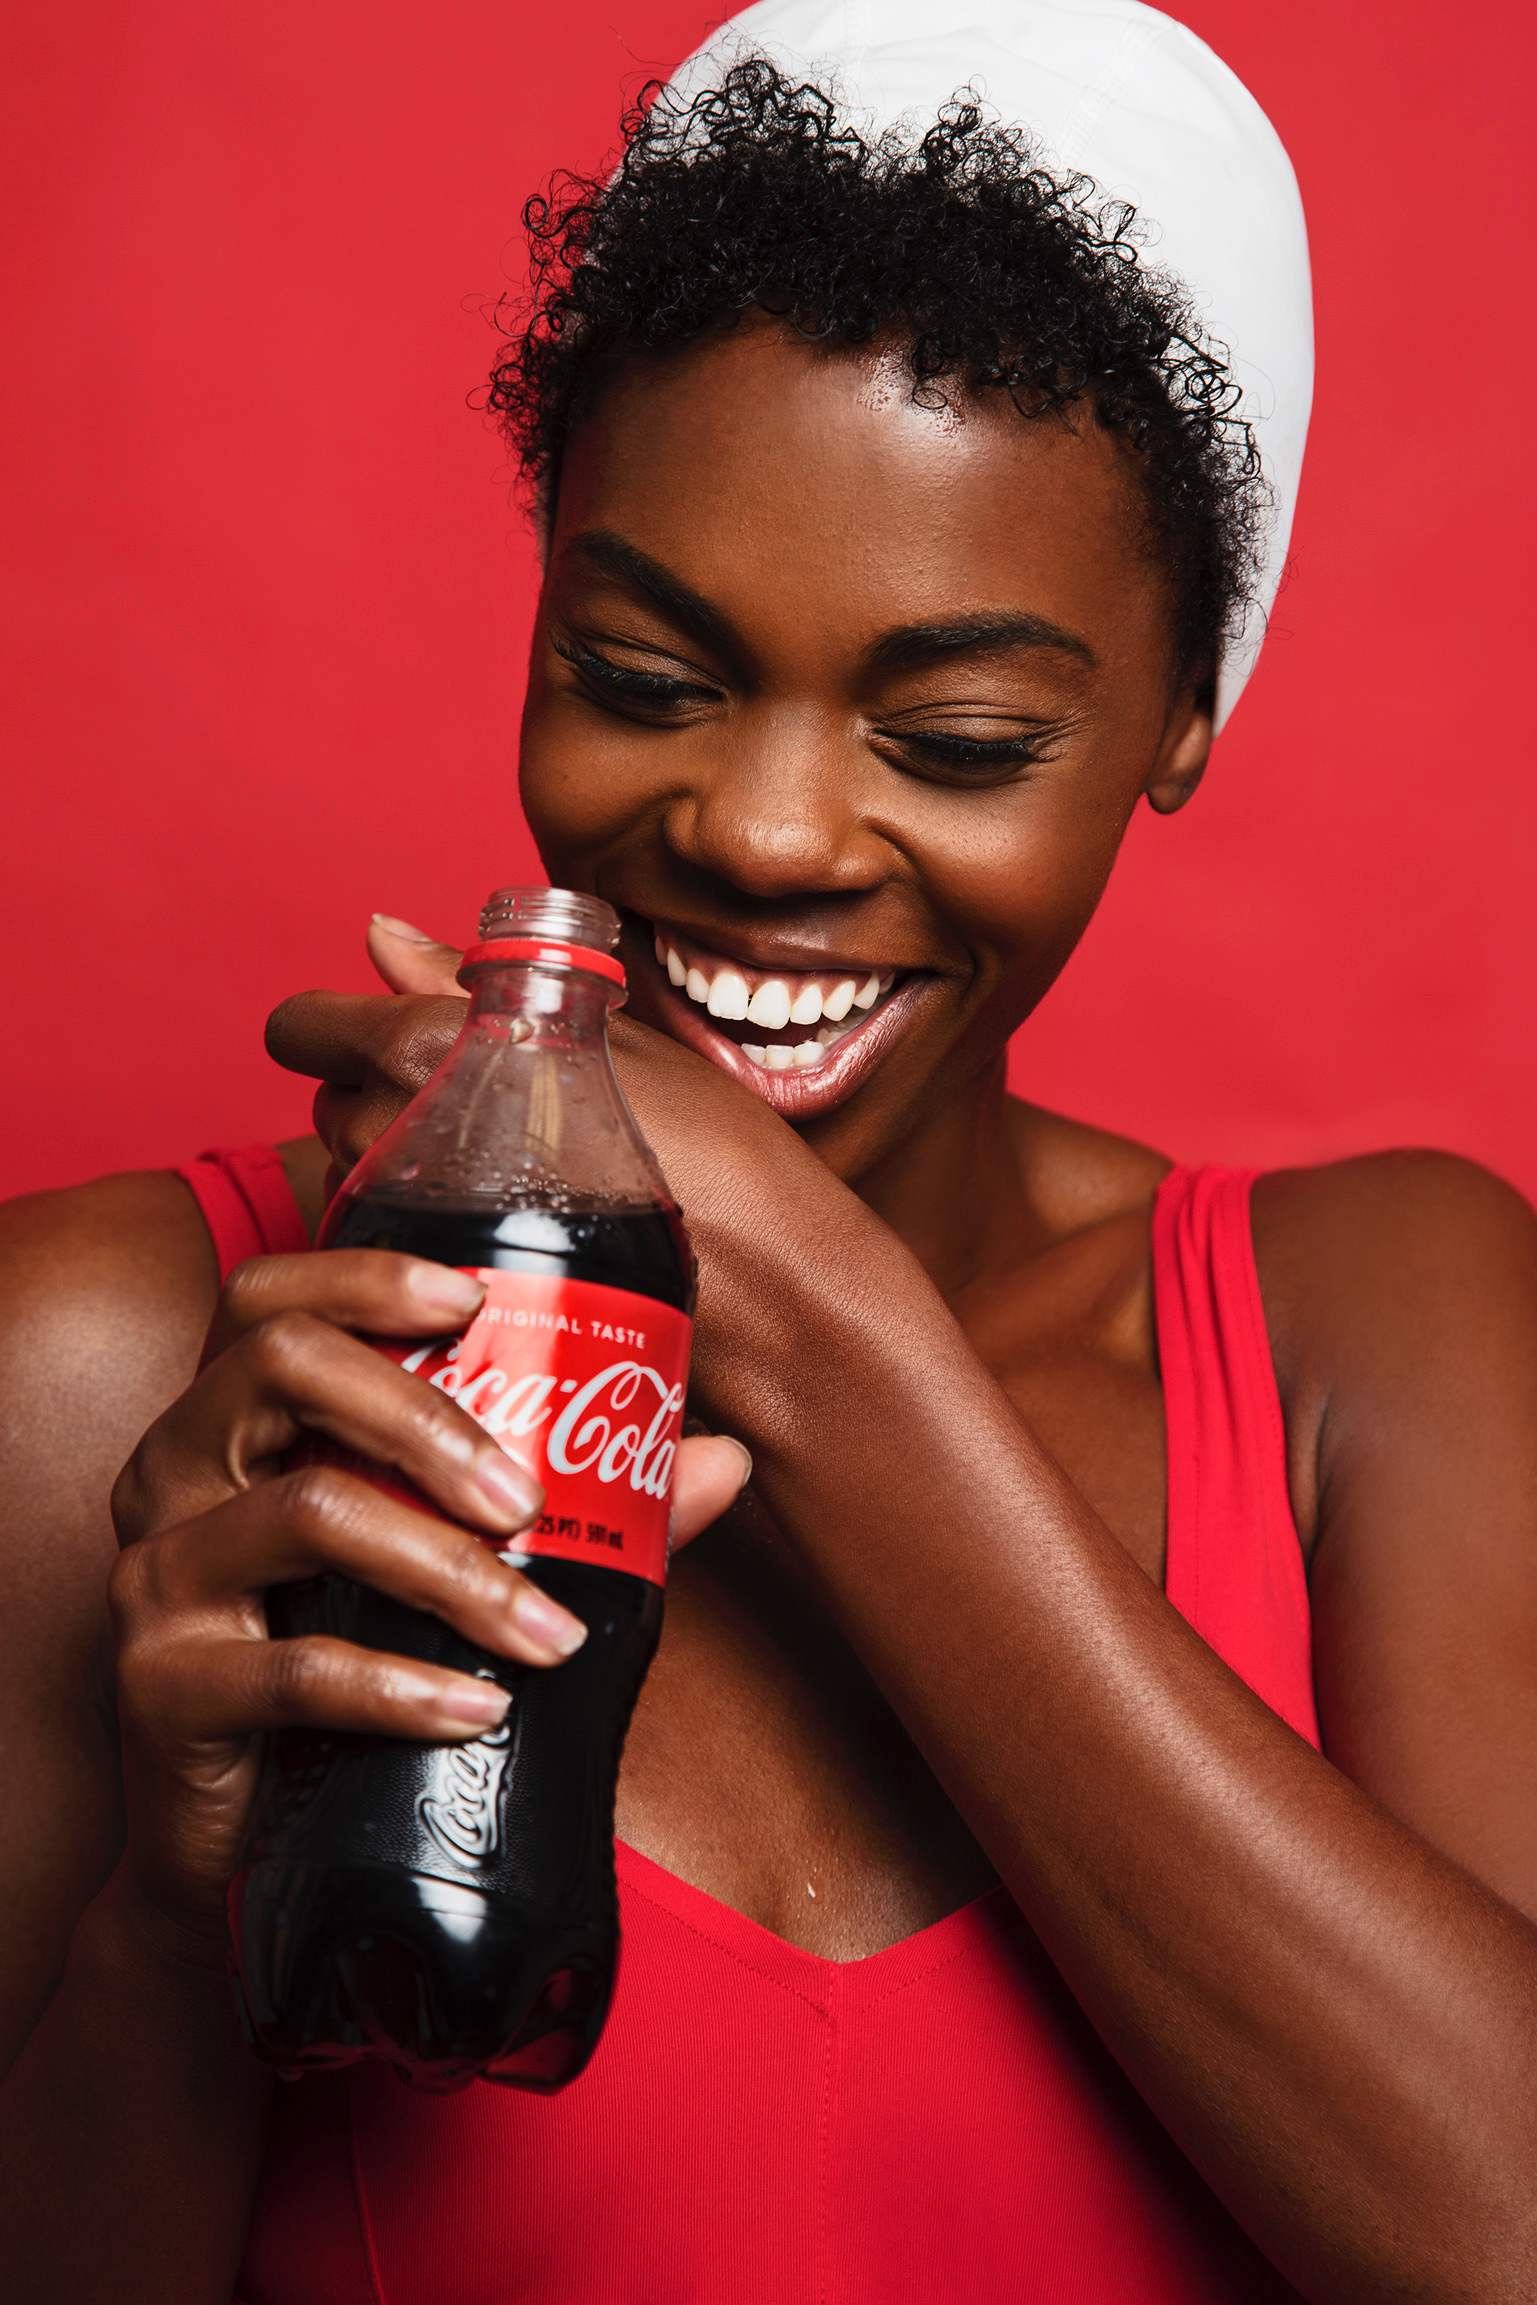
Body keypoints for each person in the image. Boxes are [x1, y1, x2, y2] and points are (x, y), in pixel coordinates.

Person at [3, 5, 1535, 2300]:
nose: (763, 829)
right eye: (643, 677)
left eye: (957, 733)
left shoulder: (1372, 1332)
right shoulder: (112, 1362)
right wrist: (165, 1922)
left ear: (1179, 709)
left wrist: (809, 1319)